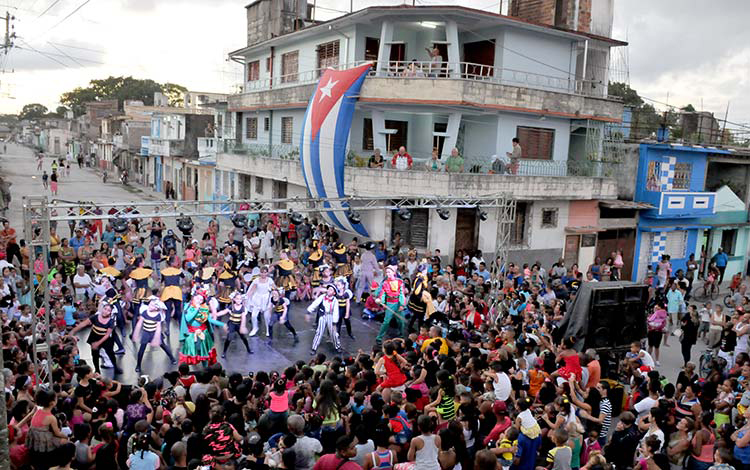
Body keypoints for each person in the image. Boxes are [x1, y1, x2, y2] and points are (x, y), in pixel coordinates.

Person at [70, 300, 122, 375]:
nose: (105, 311)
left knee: (111, 354)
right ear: (102, 309)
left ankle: (116, 367)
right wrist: (73, 331)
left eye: (108, 310)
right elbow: (84, 324)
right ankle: (97, 370)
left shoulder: (111, 321)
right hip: (95, 337)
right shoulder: (95, 317)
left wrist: (98, 343)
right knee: (95, 355)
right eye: (105, 309)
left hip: (105, 339)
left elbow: (107, 335)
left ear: (110, 312)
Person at [179, 289, 226, 366]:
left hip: (203, 333)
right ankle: (185, 374)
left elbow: (209, 320)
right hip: (191, 334)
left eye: (201, 299)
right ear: (193, 297)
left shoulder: (204, 309)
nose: (199, 301)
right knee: (191, 353)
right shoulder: (188, 307)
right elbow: (188, 318)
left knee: (205, 354)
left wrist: (222, 324)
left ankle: (206, 371)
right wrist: (196, 309)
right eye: (198, 298)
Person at [133, 296, 178, 373]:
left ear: (157, 308)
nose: (150, 306)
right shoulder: (144, 312)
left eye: (153, 305)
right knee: (142, 349)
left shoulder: (158, 315)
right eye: (150, 304)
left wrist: (156, 339)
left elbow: (158, 328)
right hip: (146, 333)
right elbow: (139, 323)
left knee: (163, 346)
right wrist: (135, 334)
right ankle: (138, 365)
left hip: (154, 333)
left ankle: (172, 358)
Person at [374, 264, 406, 344]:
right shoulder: (385, 283)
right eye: (386, 272)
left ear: (394, 272)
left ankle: (401, 335)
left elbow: (402, 294)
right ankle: (379, 337)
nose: (387, 274)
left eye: (389, 272)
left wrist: (402, 304)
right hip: (390, 303)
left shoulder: (399, 282)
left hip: (398, 303)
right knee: (386, 321)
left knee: (401, 321)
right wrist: (382, 302)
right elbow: (383, 293)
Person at [308, 283, 341, 355]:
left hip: (331, 316)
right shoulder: (322, 297)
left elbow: (336, 311)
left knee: (333, 333)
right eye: (328, 289)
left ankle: (337, 346)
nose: (329, 291)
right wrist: (309, 310)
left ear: (334, 293)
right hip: (323, 316)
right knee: (319, 332)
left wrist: (335, 321)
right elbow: (315, 303)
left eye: (331, 290)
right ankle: (314, 348)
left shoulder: (335, 300)